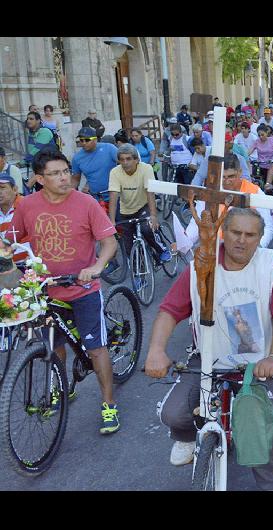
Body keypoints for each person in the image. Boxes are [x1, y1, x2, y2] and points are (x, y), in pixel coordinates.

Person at [144, 207, 273, 490]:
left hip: (257, 363)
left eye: (250, 235)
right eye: (236, 232)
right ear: (225, 232)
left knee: (264, 431)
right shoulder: (202, 264)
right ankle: (188, 435)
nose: (242, 240)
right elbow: (169, 310)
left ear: (260, 238)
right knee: (173, 413)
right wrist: (156, 350)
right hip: (209, 358)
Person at [12, 149, 121, 433]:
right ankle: (62, 387)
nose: (64, 178)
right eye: (55, 173)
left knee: (96, 349)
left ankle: (109, 404)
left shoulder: (85, 203)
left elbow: (110, 242)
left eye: (65, 171)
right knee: (54, 345)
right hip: (46, 290)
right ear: (39, 179)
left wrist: (97, 265)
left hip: (83, 287)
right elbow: (14, 242)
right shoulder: (27, 206)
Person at [186, 153, 273, 249]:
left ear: (240, 172)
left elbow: (267, 226)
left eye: (231, 176)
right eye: (223, 177)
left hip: (244, 249)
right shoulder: (211, 191)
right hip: (214, 248)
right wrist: (185, 242)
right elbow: (196, 223)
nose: (227, 181)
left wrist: (257, 247)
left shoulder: (254, 192)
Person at [108, 144, 171, 264]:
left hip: (143, 206)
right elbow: (113, 196)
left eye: (128, 159)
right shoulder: (115, 172)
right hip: (125, 211)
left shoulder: (146, 168)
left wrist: (153, 215)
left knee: (147, 229)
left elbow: (150, 192)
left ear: (136, 160)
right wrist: (111, 221)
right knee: (128, 246)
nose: (125, 162)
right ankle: (138, 274)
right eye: (121, 159)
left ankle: (161, 249)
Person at [71, 126, 118, 206]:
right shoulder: (77, 158)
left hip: (116, 196)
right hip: (96, 199)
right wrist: (69, 194)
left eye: (87, 140)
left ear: (95, 139)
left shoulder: (109, 148)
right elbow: (75, 179)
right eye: (81, 140)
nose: (84, 143)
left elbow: (124, 164)